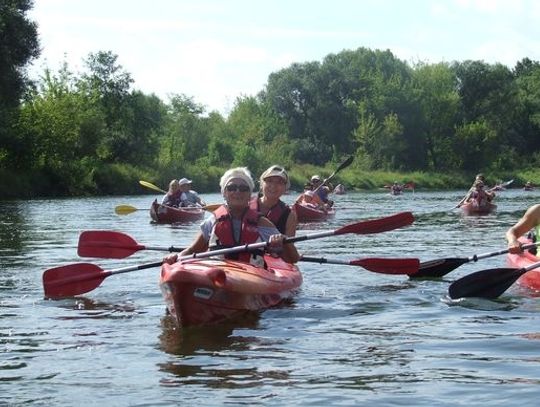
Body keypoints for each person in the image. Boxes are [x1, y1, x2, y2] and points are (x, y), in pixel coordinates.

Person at [163, 167, 299, 266]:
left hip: (251, 277)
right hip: (217, 272)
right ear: (224, 193)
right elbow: (193, 250)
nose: (237, 192)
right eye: (232, 188)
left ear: (249, 194)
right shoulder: (213, 221)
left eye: (243, 189)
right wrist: (176, 257)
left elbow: (293, 259)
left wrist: (283, 240)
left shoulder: (263, 223)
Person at [250, 165, 300, 262]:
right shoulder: (245, 205)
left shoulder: (289, 216)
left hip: (272, 260)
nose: (273, 186)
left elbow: (290, 253)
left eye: (280, 182)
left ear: (285, 188)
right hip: (246, 256)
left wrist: (283, 239)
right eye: (269, 181)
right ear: (261, 184)